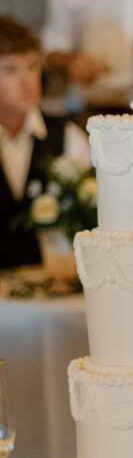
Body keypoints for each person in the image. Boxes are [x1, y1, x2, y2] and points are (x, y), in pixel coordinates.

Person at [0, 15, 91, 269]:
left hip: (52, 285)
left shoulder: (67, 136)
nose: (27, 81)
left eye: (32, 67)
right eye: (10, 70)